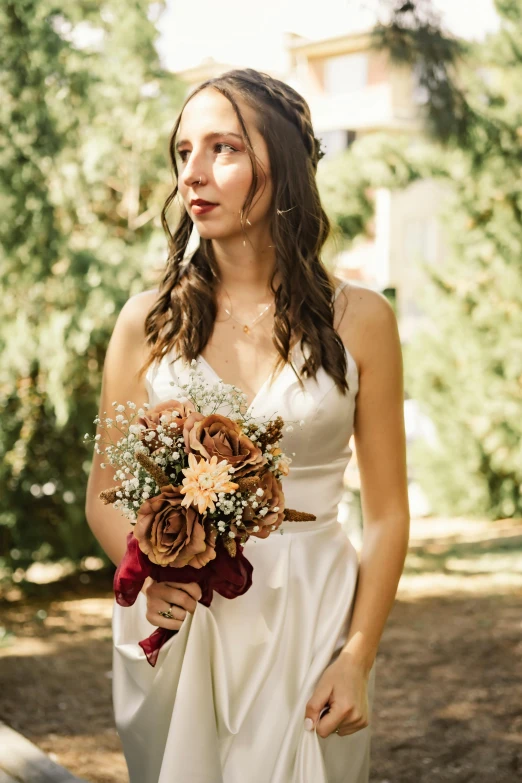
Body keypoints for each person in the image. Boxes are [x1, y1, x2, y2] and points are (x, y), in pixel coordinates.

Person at [85, 67, 410, 783]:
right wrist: (146, 578)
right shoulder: (146, 322)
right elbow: (105, 492)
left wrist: (358, 655)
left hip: (314, 614)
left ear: (283, 167)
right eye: (183, 152)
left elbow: (387, 516)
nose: (193, 173)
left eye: (223, 149)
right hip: (183, 623)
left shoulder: (362, 320)